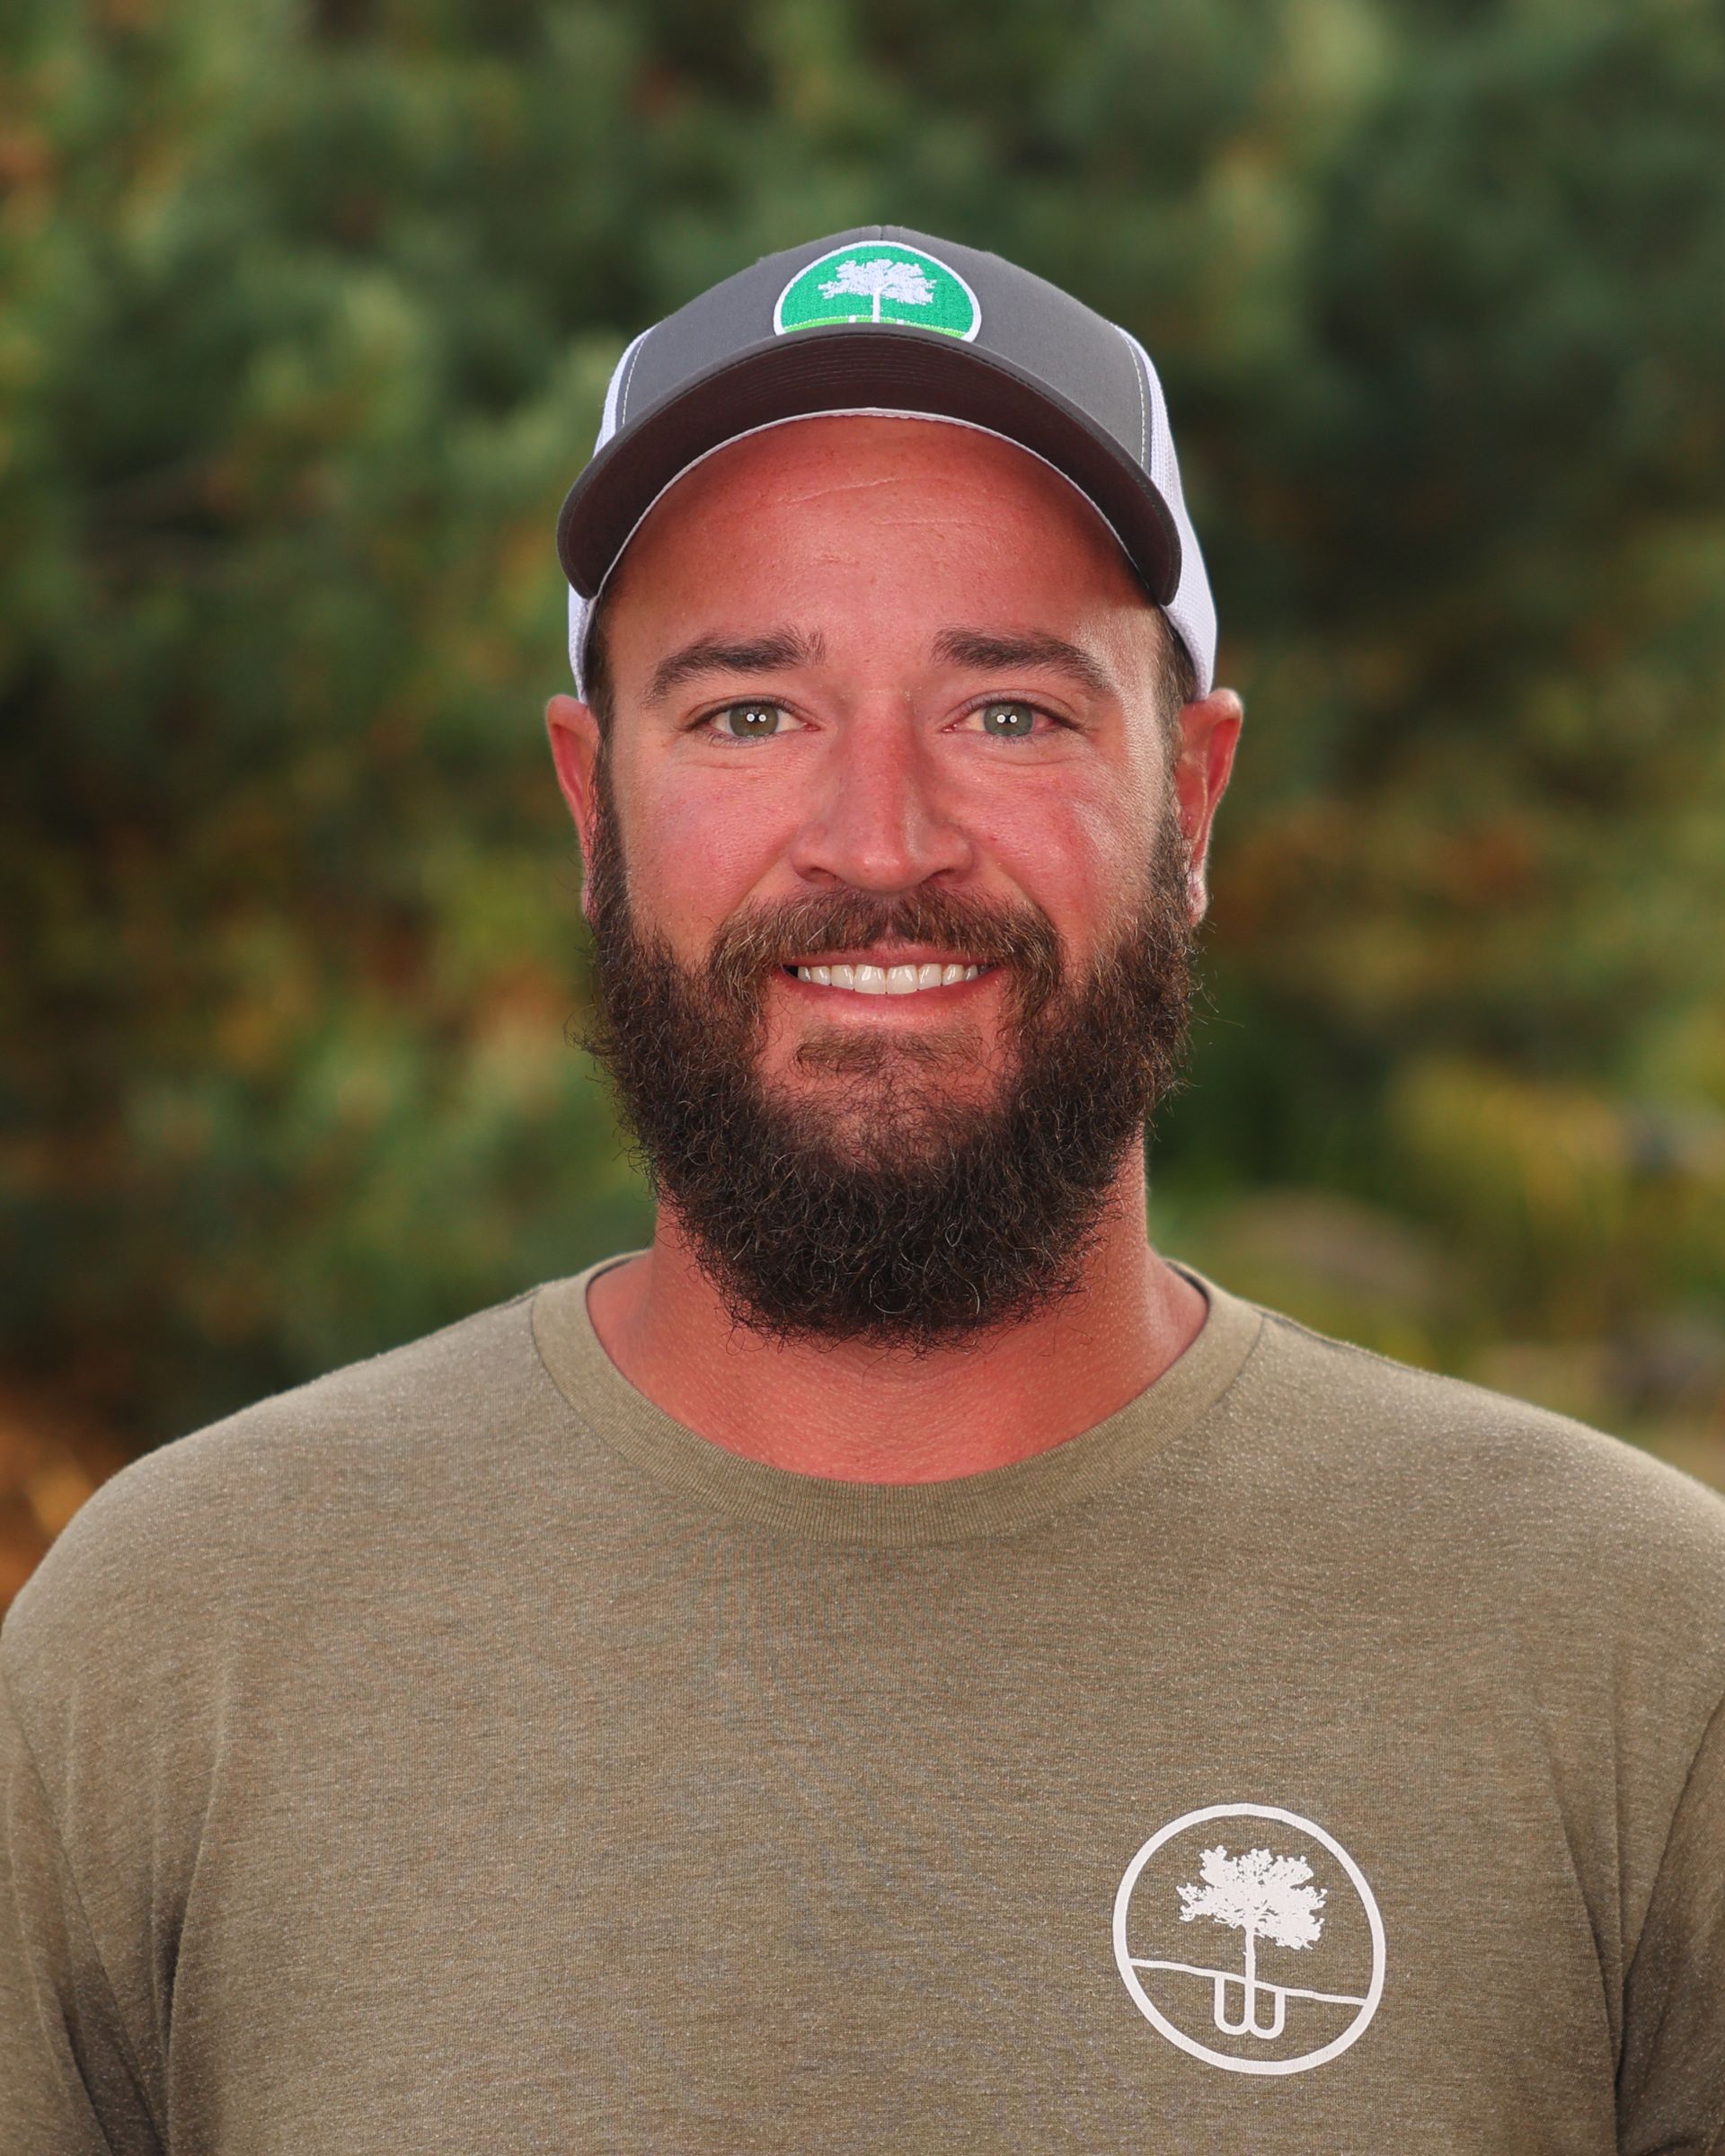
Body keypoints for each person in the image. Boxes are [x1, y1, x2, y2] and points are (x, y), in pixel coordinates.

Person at [3, 227, 1721, 2153]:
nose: (880, 841)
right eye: (750, 711)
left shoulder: (1637, 1658)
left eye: (1011, 711)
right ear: (593, 809)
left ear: (1195, 801)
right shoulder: (175, 1644)